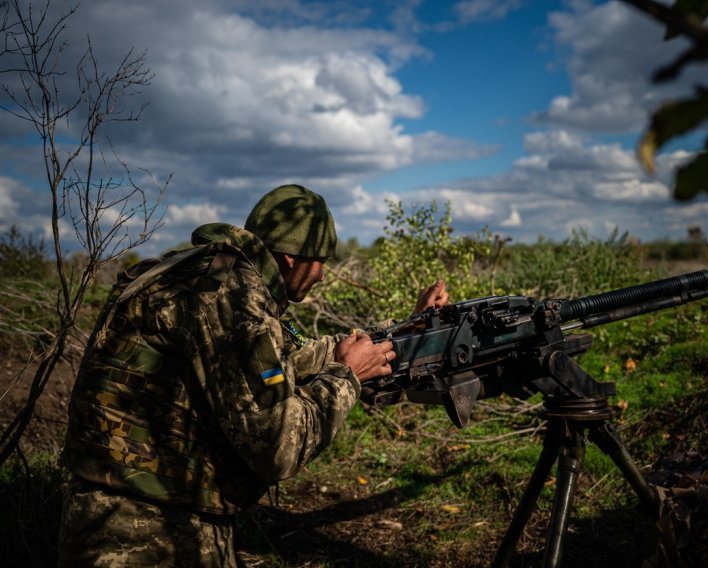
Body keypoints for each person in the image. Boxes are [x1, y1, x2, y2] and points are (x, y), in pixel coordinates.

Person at [57, 184, 449, 567]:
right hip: (150, 532)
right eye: (322, 261)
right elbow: (279, 447)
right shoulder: (232, 298)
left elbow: (285, 363)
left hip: (117, 511)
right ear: (293, 258)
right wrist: (346, 377)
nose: (324, 276)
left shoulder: (203, 274)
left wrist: (404, 331)